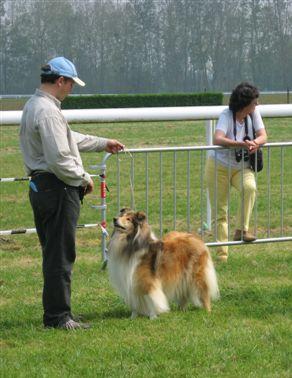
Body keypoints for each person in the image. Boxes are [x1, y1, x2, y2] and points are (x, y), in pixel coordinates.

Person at [19, 56, 124, 330]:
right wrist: (83, 178)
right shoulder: (48, 111)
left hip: (42, 187)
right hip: (57, 188)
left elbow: (67, 137)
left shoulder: (35, 106)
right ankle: (58, 318)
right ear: (60, 80)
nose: (71, 90)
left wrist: (102, 143)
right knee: (61, 254)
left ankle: (58, 313)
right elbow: (60, 157)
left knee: (54, 252)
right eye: (71, 84)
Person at [205, 82, 267, 262]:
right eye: (255, 102)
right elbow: (218, 138)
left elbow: (263, 135)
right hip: (218, 167)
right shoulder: (226, 115)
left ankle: (241, 230)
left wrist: (256, 143)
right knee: (220, 211)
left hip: (241, 166)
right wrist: (241, 144)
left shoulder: (254, 114)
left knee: (250, 188)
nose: (257, 105)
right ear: (245, 103)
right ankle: (222, 256)